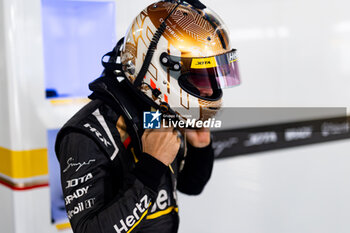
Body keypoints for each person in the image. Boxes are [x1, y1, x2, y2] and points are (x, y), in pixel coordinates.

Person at [55, 0, 241, 232]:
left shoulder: (161, 110)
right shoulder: (85, 133)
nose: (208, 90)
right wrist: (151, 166)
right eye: (201, 76)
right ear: (159, 69)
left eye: (214, 77)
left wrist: (200, 147)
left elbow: (190, 186)